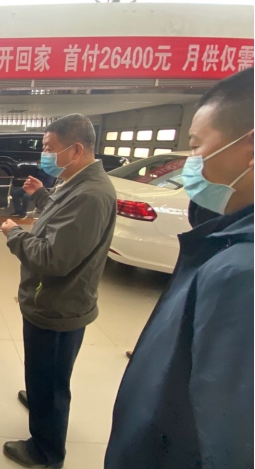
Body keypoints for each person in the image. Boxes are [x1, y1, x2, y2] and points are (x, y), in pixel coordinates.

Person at [105, 68, 254, 469]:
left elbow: (230, 439)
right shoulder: (222, 241)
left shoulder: (242, 273)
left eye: (196, 145)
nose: (191, 161)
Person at [0, 113, 117, 468]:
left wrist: (13, 233)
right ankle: (39, 399)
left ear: (76, 149)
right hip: (49, 298)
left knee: (51, 381)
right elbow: (60, 217)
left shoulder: (91, 195)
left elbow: (53, 258)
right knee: (43, 373)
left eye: (50, 148)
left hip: (58, 304)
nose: (45, 155)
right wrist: (40, 195)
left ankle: (46, 451)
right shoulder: (75, 183)